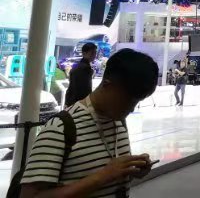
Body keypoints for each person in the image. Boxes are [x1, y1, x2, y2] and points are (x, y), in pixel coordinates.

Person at [20, 49, 158, 198]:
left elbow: (110, 181)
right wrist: (103, 176)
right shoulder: (60, 128)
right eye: (127, 101)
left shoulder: (118, 122)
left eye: (137, 102)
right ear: (107, 85)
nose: (131, 109)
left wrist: (130, 171)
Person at [64, 42, 97, 107]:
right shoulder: (85, 68)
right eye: (92, 53)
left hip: (71, 100)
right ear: (84, 53)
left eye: (95, 53)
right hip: (78, 102)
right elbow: (85, 90)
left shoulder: (78, 66)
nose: (94, 55)